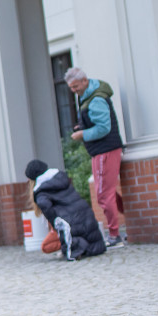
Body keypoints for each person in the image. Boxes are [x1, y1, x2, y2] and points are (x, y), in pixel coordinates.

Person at [66, 67, 126, 248]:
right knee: (109, 193)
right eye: (71, 88)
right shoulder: (87, 96)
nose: (74, 90)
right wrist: (82, 127)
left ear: (84, 81)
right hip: (102, 151)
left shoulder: (96, 99)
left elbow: (103, 128)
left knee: (102, 195)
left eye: (76, 86)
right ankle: (130, 224)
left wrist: (83, 134)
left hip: (105, 150)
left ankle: (114, 236)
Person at [25, 159, 106, 261]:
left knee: (50, 243)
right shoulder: (60, 178)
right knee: (86, 230)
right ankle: (93, 248)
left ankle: (79, 248)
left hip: (70, 221)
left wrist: (55, 222)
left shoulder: (41, 191)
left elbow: (45, 205)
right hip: (85, 213)